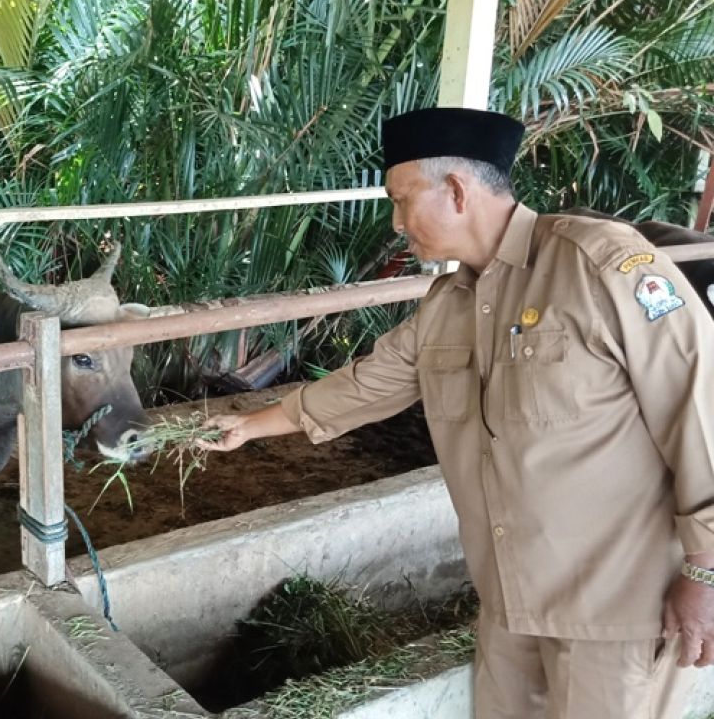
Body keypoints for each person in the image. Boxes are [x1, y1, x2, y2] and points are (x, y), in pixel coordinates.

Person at [198, 107, 714, 718]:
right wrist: (249, 426)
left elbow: (698, 408)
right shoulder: (449, 303)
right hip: (510, 606)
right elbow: (369, 383)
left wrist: (705, 573)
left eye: (402, 198)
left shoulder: (599, 266)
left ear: (458, 190)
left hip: (617, 611)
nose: (395, 222)